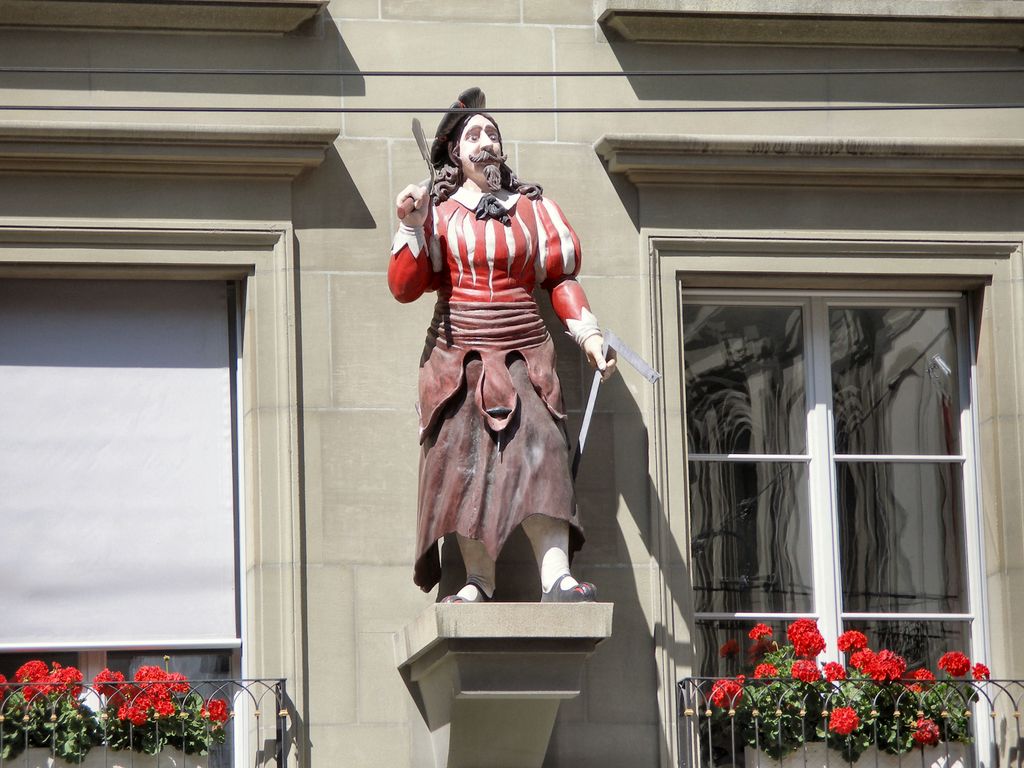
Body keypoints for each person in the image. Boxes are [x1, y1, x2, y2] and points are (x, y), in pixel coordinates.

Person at [389, 87, 615, 604]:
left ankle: (556, 577)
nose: (486, 142)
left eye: (492, 133)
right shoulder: (437, 214)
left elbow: (560, 279)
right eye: (473, 135)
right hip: (458, 359)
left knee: (544, 454)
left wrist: (588, 334)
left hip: (525, 353)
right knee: (464, 465)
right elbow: (404, 287)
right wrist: (410, 224)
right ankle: (478, 581)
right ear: (455, 154)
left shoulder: (536, 210)